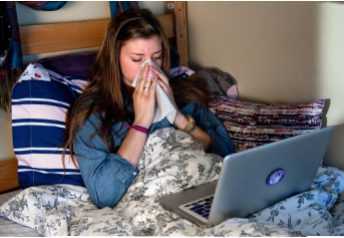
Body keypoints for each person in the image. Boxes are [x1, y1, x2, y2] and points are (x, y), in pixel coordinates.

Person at [64, 9, 235, 209]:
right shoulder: (92, 112)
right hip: (155, 205)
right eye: (137, 59)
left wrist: (176, 116)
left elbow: (226, 155)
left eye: (157, 57)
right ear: (114, 59)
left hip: (209, 196)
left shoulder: (181, 92)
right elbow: (104, 194)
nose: (150, 68)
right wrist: (141, 122)